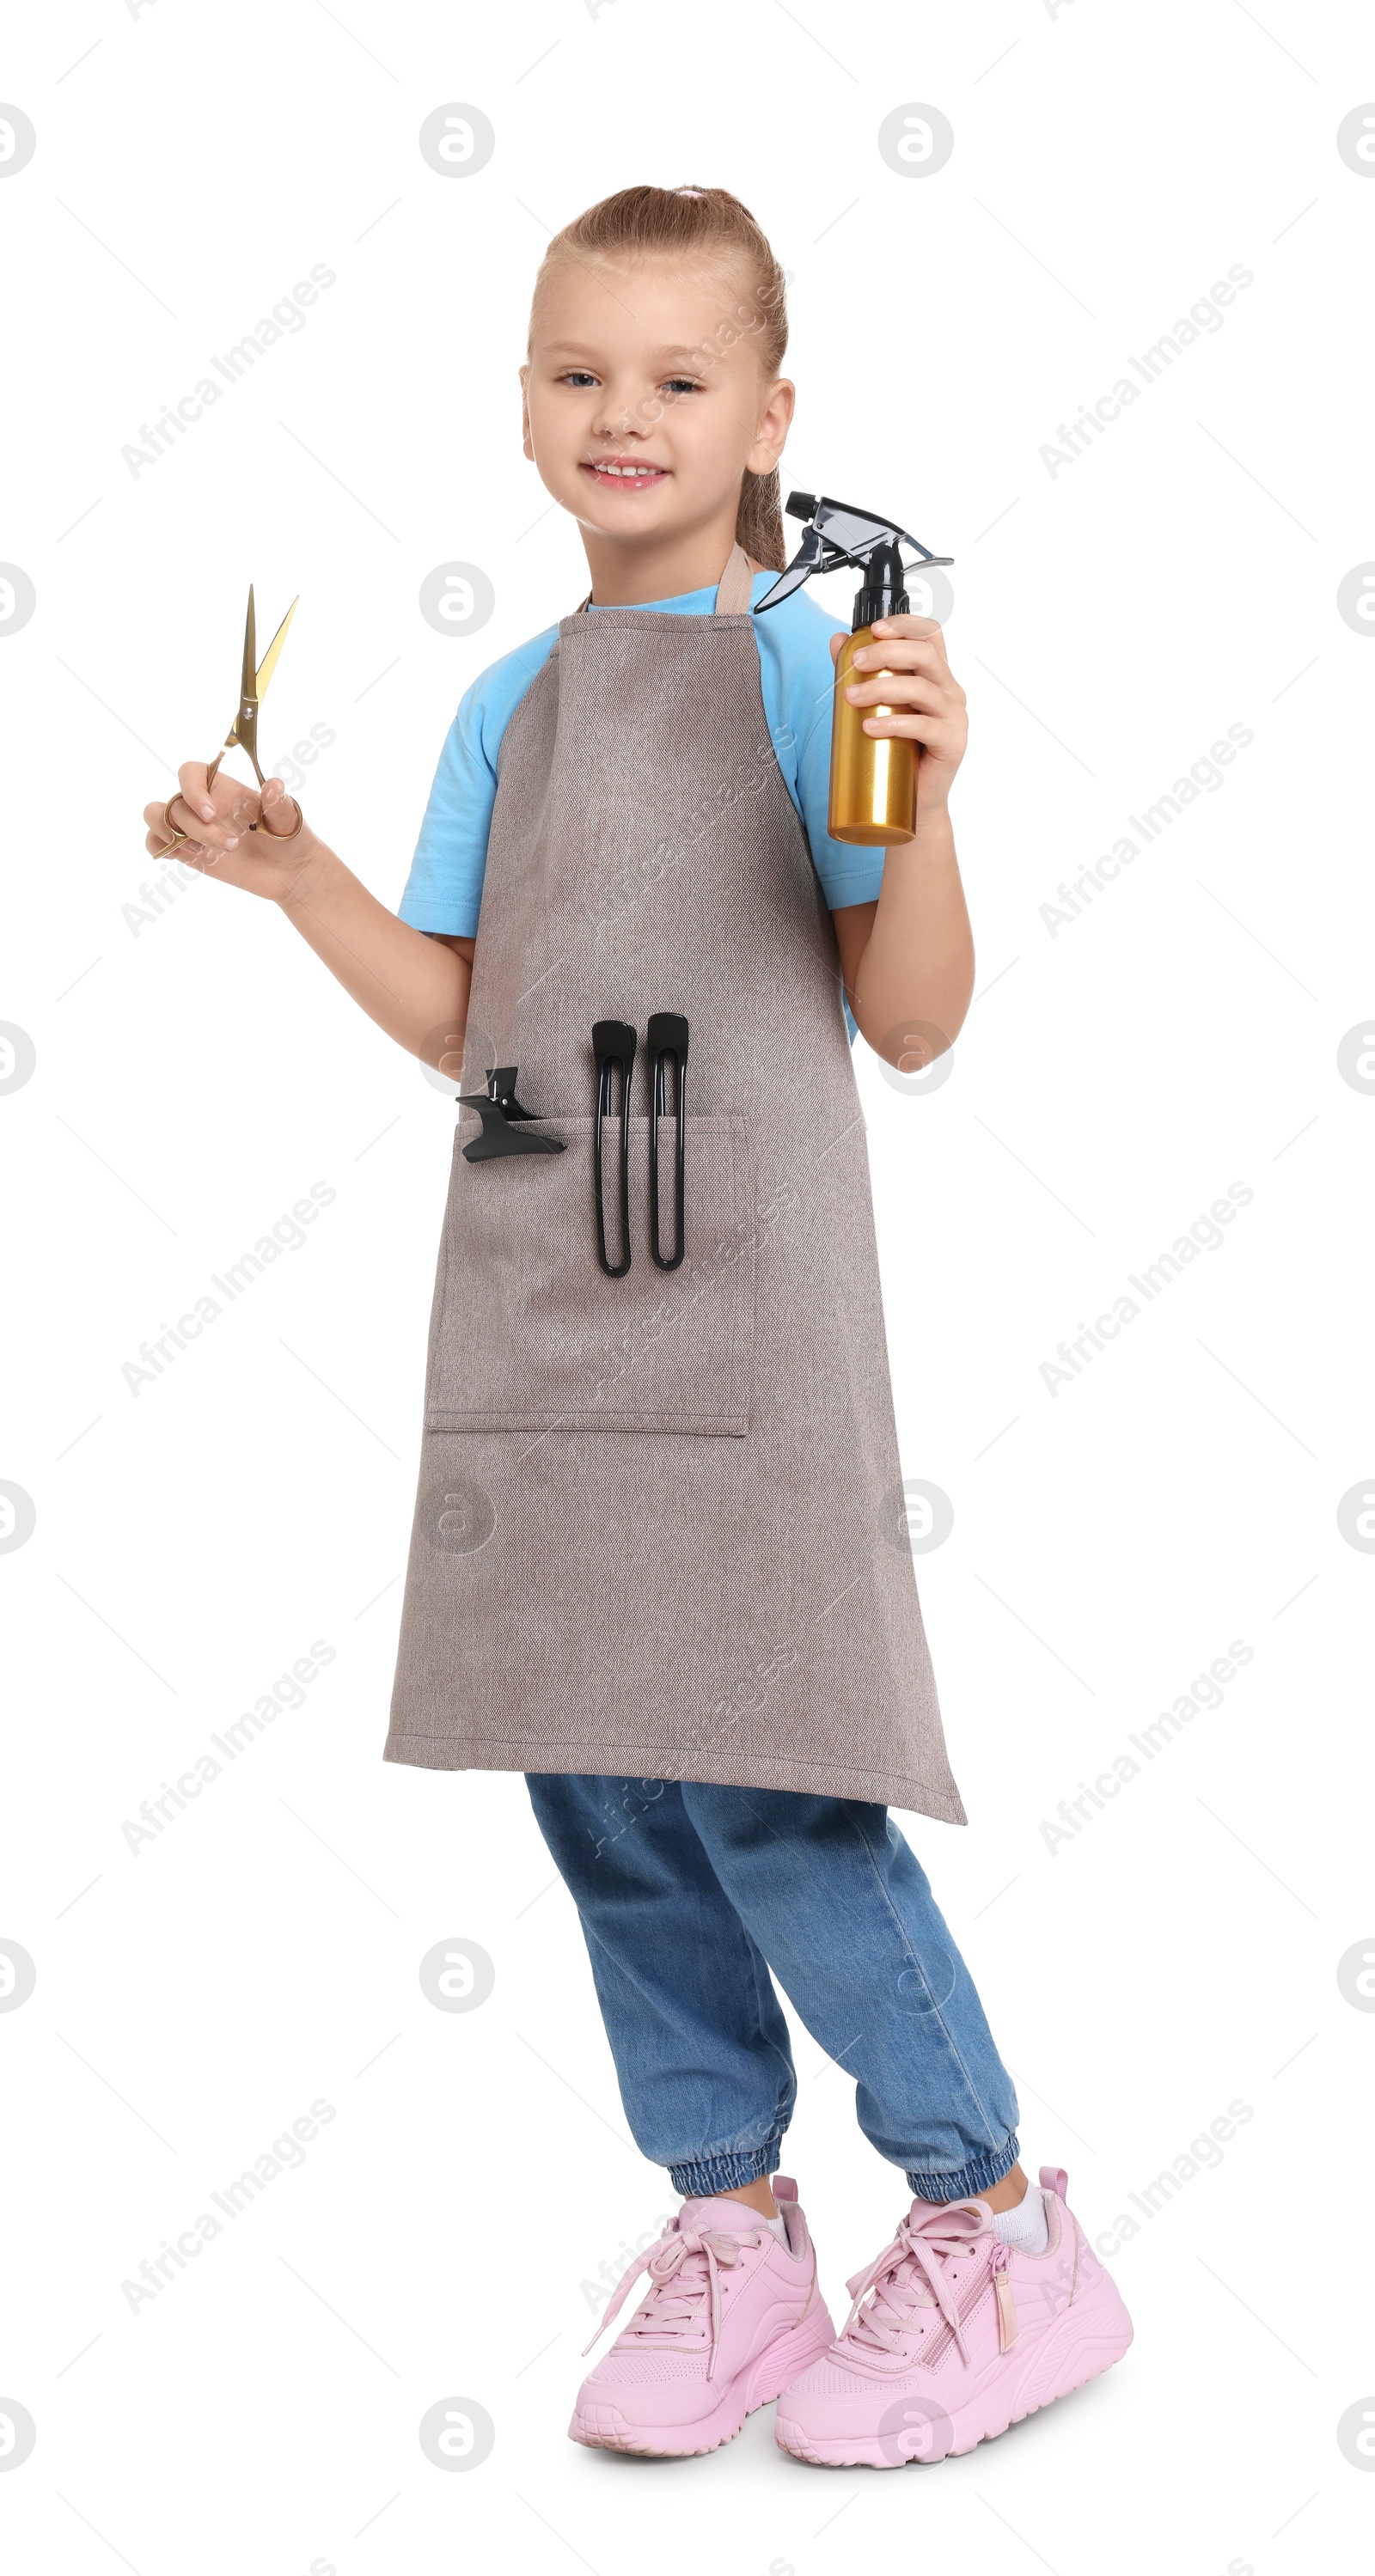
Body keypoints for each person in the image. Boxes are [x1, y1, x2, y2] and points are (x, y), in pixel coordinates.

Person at [143, 182, 1132, 2469]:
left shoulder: (815, 661)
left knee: (779, 1789)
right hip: (543, 1319)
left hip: (752, 1326)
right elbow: (473, 1018)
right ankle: (734, 2225)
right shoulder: (513, 701)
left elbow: (912, 1013)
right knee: (599, 1784)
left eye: (680, 378)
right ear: (520, 408)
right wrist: (298, 883)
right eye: (581, 371)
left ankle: (994, 2226)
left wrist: (942, 799)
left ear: (772, 416)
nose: (625, 412)